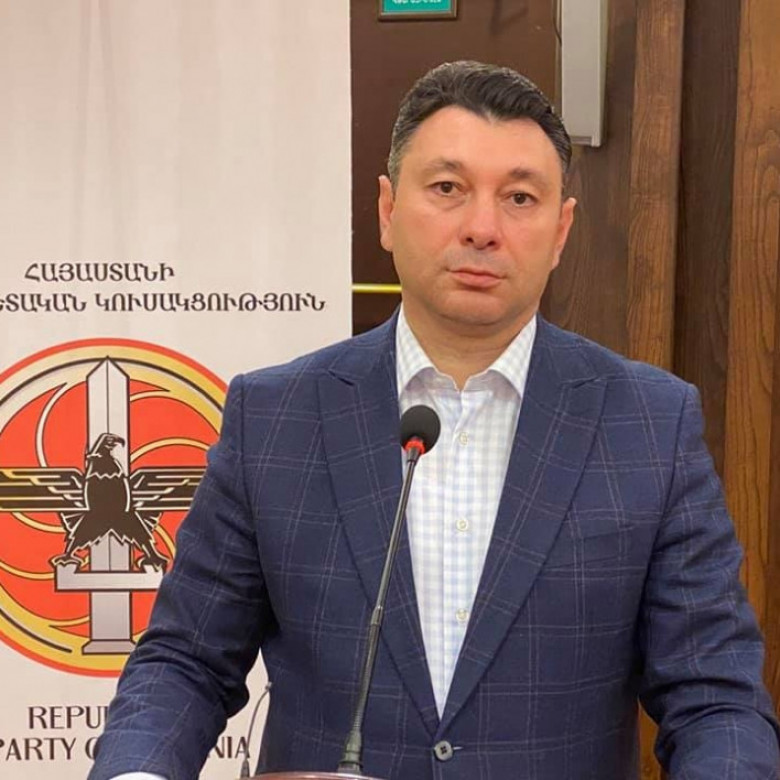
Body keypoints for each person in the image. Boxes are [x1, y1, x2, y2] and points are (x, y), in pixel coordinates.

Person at [89, 61, 779, 780]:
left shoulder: (648, 423)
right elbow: (187, 660)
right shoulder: (276, 416)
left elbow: (713, 696)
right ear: (388, 210)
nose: (482, 228)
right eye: (448, 188)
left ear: (561, 230)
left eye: (519, 197)